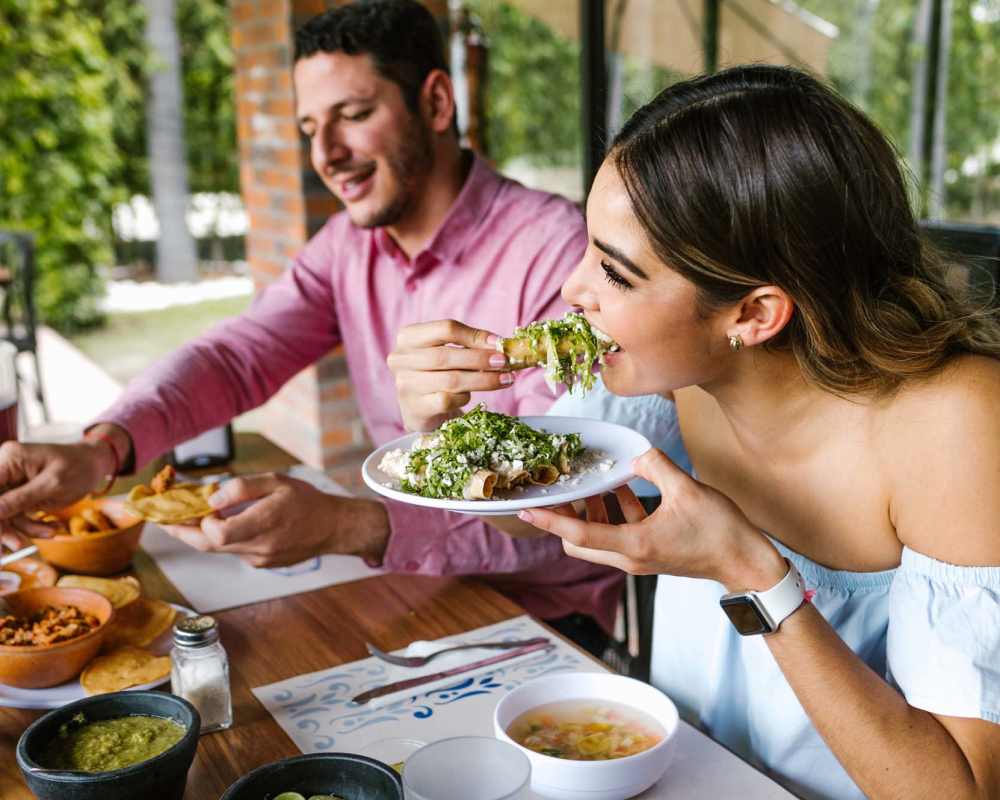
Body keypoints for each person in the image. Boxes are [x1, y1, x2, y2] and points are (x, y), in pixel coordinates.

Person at [393, 65, 1000, 799]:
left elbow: (956, 791)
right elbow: (537, 515)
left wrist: (752, 574)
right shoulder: (670, 369)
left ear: (753, 314)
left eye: (615, 274)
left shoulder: (956, 424)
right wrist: (444, 433)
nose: (572, 290)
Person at [0, 0, 621, 652]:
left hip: (549, 625)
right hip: (412, 588)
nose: (326, 154)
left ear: (437, 103)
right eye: (308, 127)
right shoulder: (347, 247)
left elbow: (564, 518)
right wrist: (102, 449)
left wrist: (351, 527)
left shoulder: (557, 253)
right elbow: (240, 355)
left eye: (354, 116)